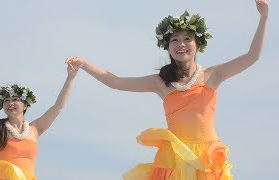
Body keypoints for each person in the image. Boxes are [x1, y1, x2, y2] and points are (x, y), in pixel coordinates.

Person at [66, 0, 268, 179]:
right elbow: (114, 81)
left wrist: (264, 17)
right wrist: (84, 64)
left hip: (207, 160)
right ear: (168, 47)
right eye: (175, 40)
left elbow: (252, 56)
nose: (181, 44)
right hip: (173, 160)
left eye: (187, 39)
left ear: (197, 44)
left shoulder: (212, 75)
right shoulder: (160, 82)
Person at [0, 59, 78, 180]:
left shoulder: (35, 129)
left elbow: (58, 107)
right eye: (6, 101)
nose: (10, 103)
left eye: (15, 99)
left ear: (25, 105)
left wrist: (70, 78)